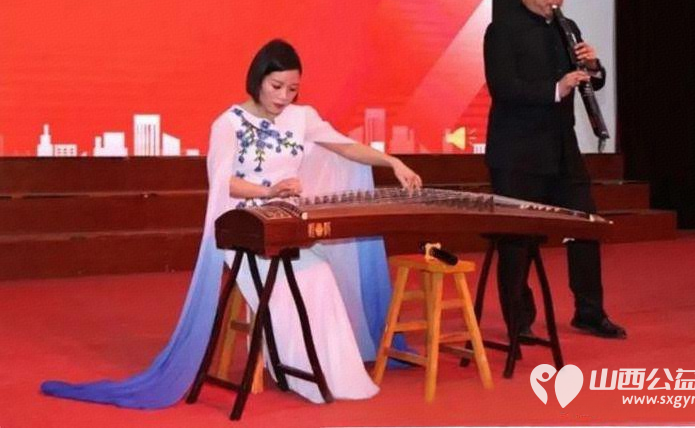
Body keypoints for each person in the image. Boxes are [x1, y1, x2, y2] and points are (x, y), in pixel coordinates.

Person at [41, 39, 422, 407]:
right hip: (244, 229)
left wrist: (393, 162)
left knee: (320, 275)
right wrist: (269, 190)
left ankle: (320, 374)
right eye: (276, 86)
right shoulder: (229, 123)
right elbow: (223, 183)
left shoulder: (301, 118)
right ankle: (301, 374)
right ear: (258, 79)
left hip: (284, 226)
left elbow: (346, 147)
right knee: (306, 278)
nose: (284, 96)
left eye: (292, 89)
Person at [483, 0, 626, 339]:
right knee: (517, 239)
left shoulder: (568, 27)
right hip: (517, 153)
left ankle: (589, 312)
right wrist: (555, 88)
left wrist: (594, 68)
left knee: (586, 226)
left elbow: (590, 81)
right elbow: (503, 87)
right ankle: (519, 321)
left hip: (562, 147)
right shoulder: (502, 30)